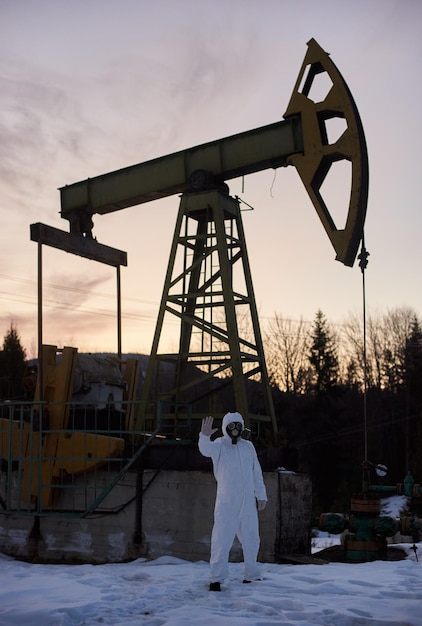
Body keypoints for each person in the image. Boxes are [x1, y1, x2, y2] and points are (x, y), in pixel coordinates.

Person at [198, 412, 267, 591]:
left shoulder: (248, 447)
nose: (235, 430)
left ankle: (251, 575)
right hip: (227, 503)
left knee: (252, 538)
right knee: (221, 540)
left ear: (242, 427)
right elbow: (205, 450)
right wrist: (204, 436)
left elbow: (256, 472)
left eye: (238, 426)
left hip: (248, 504)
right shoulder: (220, 445)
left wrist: (261, 495)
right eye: (231, 426)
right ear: (225, 428)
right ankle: (216, 579)